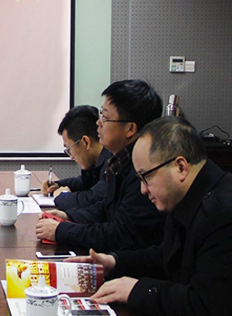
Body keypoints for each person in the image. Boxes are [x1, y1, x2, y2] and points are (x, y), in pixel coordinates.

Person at [71, 117, 232, 316]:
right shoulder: (186, 196)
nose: (143, 190)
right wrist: (114, 262)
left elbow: (205, 305)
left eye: (146, 177)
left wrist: (136, 290)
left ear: (180, 167)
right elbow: (167, 256)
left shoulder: (225, 215)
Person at [36, 79, 164, 251]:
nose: (98, 122)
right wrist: (69, 216)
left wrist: (62, 231)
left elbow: (119, 235)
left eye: (105, 117)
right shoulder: (120, 160)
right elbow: (105, 208)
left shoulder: (142, 169)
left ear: (130, 129)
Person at [41, 105, 112, 210]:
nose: (71, 156)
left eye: (69, 149)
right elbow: (84, 183)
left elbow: (91, 199)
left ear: (85, 142)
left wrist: (61, 197)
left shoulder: (112, 164)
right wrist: (58, 184)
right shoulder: (100, 160)